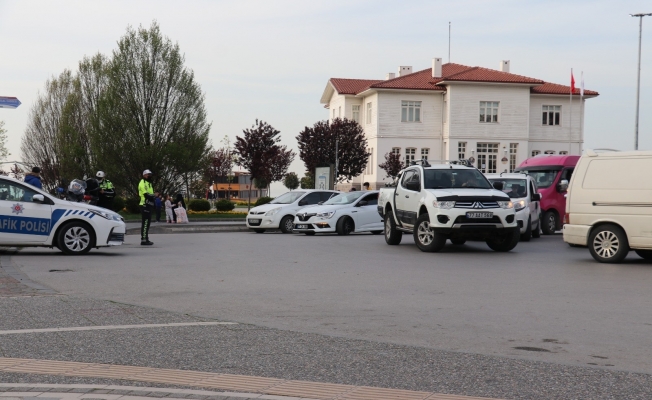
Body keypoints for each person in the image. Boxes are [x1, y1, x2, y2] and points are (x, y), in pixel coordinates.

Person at [138, 169, 155, 246]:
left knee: (147, 223)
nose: (150, 176)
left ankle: (146, 238)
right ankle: (144, 240)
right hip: (144, 204)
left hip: (149, 205)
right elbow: (146, 195)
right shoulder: (142, 183)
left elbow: (151, 195)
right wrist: (154, 196)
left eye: (150, 175)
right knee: (145, 223)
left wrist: (154, 196)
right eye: (148, 175)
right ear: (144, 175)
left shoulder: (149, 183)